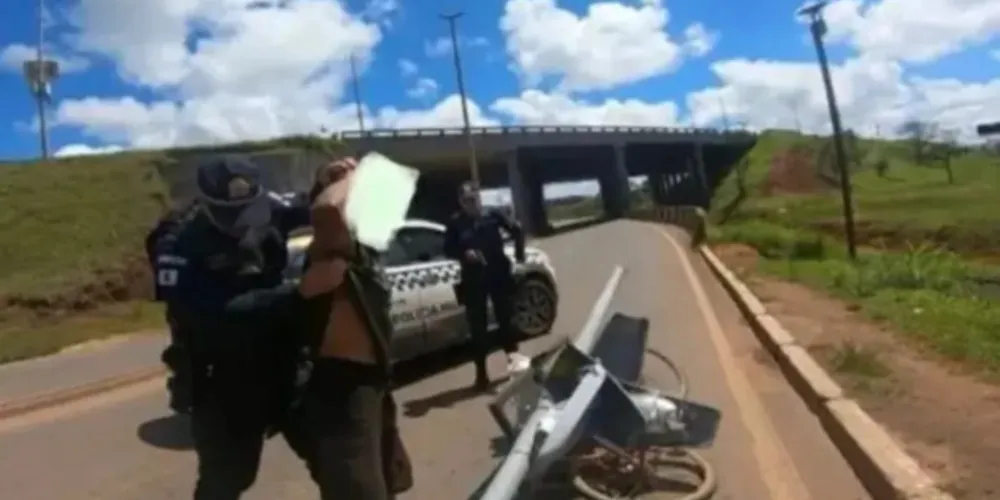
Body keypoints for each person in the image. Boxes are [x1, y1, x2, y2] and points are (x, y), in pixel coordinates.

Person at [149, 155, 310, 500]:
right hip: (221, 381)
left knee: (340, 455)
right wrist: (297, 295)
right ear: (205, 202)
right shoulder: (176, 241)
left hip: (285, 366)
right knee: (226, 482)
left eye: (246, 211)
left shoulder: (269, 207)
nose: (238, 224)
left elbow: (314, 207)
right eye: (227, 214)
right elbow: (210, 315)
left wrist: (335, 182)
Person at [279, 157, 413, 500]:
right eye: (337, 178)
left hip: (372, 382)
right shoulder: (326, 247)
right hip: (339, 391)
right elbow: (328, 210)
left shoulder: (364, 245)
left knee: (390, 479)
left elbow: (395, 187)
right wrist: (343, 175)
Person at [444, 181, 532, 391]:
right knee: (477, 328)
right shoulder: (456, 223)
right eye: (465, 201)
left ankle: (516, 366)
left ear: (479, 198)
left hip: (498, 274)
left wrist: (520, 260)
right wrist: (464, 253)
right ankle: (482, 376)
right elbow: (448, 249)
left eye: (473, 199)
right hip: (474, 280)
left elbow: (517, 230)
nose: (470, 204)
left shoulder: (493, 215)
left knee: (506, 321)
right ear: (460, 202)